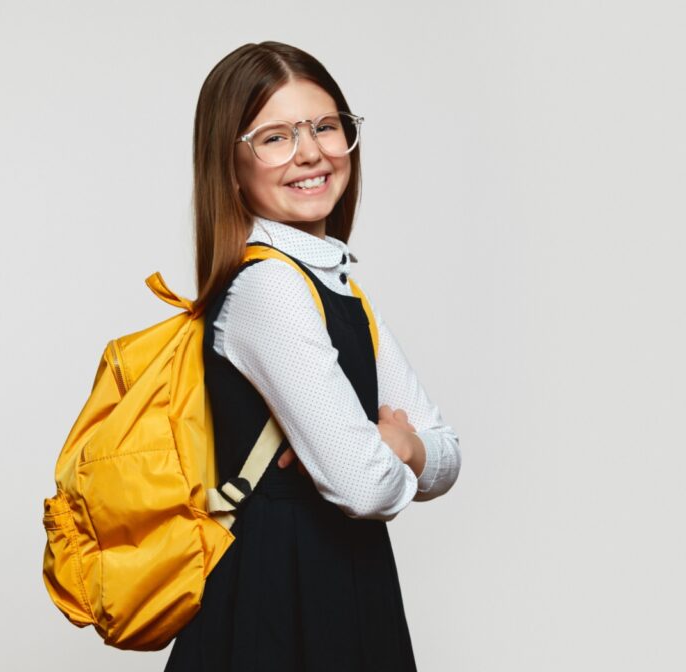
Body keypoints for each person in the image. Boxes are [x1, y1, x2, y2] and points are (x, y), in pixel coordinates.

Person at [163, 41, 462, 671]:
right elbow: (364, 488)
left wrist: (400, 446)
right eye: (275, 137)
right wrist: (395, 447)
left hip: (343, 585)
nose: (311, 153)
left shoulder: (336, 282)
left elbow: (446, 458)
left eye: (326, 127)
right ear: (230, 162)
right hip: (278, 600)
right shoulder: (267, 286)